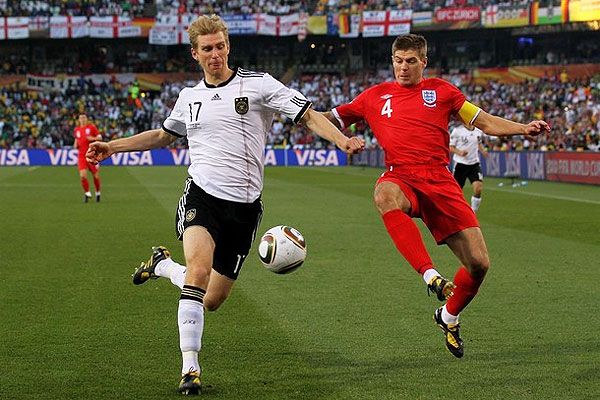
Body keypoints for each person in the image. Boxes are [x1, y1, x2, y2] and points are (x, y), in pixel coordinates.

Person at [86, 14, 364, 396]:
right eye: (207, 49)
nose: (215, 54)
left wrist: (341, 140)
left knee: (212, 299)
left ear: (228, 46)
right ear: (195, 53)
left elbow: (308, 116)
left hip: (245, 210)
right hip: (202, 197)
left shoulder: (259, 85)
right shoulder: (189, 98)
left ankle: (162, 265)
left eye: (220, 46)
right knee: (199, 272)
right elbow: (163, 136)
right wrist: (112, 146)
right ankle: (190, 368)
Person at [324, 34, 549, 358]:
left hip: (440, 180)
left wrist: (523, 127)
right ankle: (431, 276)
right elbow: (328, 119)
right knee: (384, 195)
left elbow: (485, 122)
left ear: (424, 62)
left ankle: (448, 315)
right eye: (398, 61)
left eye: (410, 61)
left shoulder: (443, 92)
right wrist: (294, 111)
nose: (403, 67)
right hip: (401, 175)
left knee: (479, 264)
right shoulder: (373, 96)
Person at [449, 123, 488, 212]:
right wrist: (460, 152)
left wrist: (483, 151)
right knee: (456, 192)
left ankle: (473, 212)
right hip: (460, 164)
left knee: (478, 188)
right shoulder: (457, 131)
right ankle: (454, 211)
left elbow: (479, 143)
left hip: (474, 164)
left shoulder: (478, 131)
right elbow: (451, 147)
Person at [73, 113, 102, 202]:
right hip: (81, 156)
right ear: (79, 120)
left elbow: (100, 137)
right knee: (83, 176)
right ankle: (87, 193)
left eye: (84, 117)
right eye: (81, 118)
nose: (82, 119)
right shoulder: (77, 130)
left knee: (96, 176)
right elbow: (76, 141)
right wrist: (75, 145)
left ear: (86, 119)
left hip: (92, 155)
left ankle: (98, 192)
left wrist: (92, 138)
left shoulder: (91, 127)